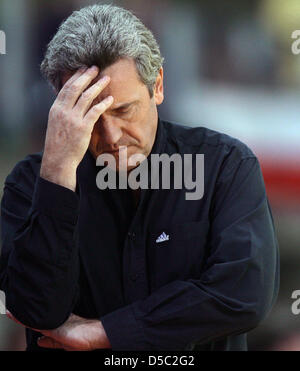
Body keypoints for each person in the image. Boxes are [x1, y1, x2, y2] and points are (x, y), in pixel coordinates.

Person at [0, 4, 279, 351]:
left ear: (157, 85)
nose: (112, 135)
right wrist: (58, 172)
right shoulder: (31, 183)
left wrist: (105, 333)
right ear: (61, 108)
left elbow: (243, 294)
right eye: (91, 116)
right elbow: (37, 309)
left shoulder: (224, 166)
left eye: (123, 110)